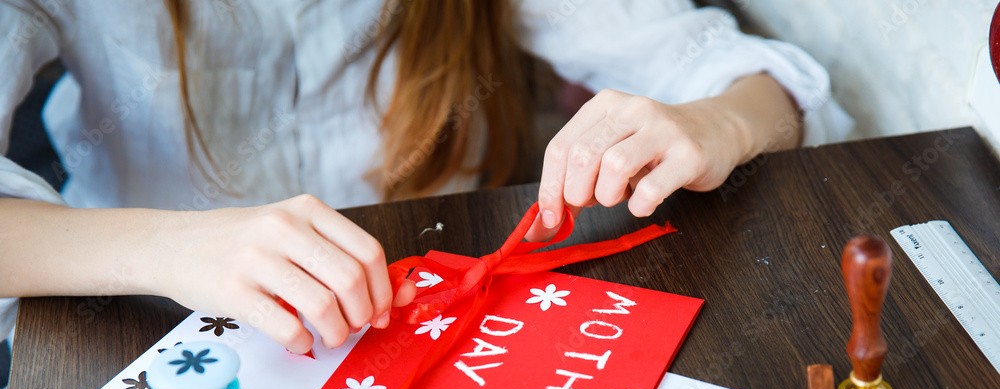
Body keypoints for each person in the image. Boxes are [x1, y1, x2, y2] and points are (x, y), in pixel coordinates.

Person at [0, 0, 852, 353]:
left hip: (454, 325)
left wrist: (719, 120)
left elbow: (760, 85)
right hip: (138, 327)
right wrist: (171, 248)